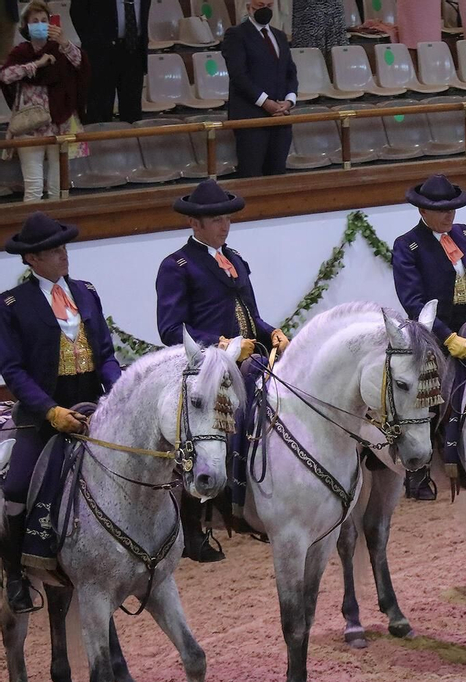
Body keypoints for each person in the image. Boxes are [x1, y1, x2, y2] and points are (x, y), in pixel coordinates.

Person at [154, 180, 288, 557]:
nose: (224, 226)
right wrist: (225, 346)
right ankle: (198, 520)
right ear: (195, 224)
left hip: (251, 355)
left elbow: (251, 315)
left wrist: (272, 331)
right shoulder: (177, 266)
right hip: (209, 367)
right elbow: (170, 329)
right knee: (215, 421)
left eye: (227, 218)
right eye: (216, 220)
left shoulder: (235, 259)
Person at [0, 213, 121, 613]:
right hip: (43, 413)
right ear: (32, 259)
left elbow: (104, 353)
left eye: (63, 246)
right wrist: (50, 412)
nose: (63, 255)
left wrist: (117, 393)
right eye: (54, 250)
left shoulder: (85, 292)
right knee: (17, 486)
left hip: (91, 407)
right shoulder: (12, 305)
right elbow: (13, 369)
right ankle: (16, 574)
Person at [391, 175, 466, 498]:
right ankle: (419, 468)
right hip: (433, 332)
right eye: (441, 210)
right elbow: (414, 302)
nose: (449, 215)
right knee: (423, 386)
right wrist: (447, 336)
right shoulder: (407, 245)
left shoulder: (464, 235)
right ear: (422, 211)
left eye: (452, 209)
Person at [1, 2, 87, 203]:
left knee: (58, 187)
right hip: (30, 126)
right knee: (33, 186)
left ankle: (58, 228)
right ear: (26, 26)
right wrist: (35, 65)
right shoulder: (20, 52)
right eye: (35, 21)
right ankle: (34, 230)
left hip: (60, 123)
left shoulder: (61, 49)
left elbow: (80, 64)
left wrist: (64, 42)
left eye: (44, 21)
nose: (40, 25)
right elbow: (5, 76)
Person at [222, 0, 298, 178]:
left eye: (269, 6)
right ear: (249, 7)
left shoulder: (279, 36)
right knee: (251, 173)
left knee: (278, 172)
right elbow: (238, 75)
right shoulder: (236, 34)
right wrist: (265, 102)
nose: (264, 10)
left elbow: (290, 72)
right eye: (259, 6)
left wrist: (289, 100)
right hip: (250, 117)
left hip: (280, 116)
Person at [70, 0, 147, 123]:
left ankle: (131, 141)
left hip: (134, 51)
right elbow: (77, 12)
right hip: (101, 53)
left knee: (132, 111)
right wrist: (93, 41)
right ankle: (99, 141)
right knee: (99, 110)